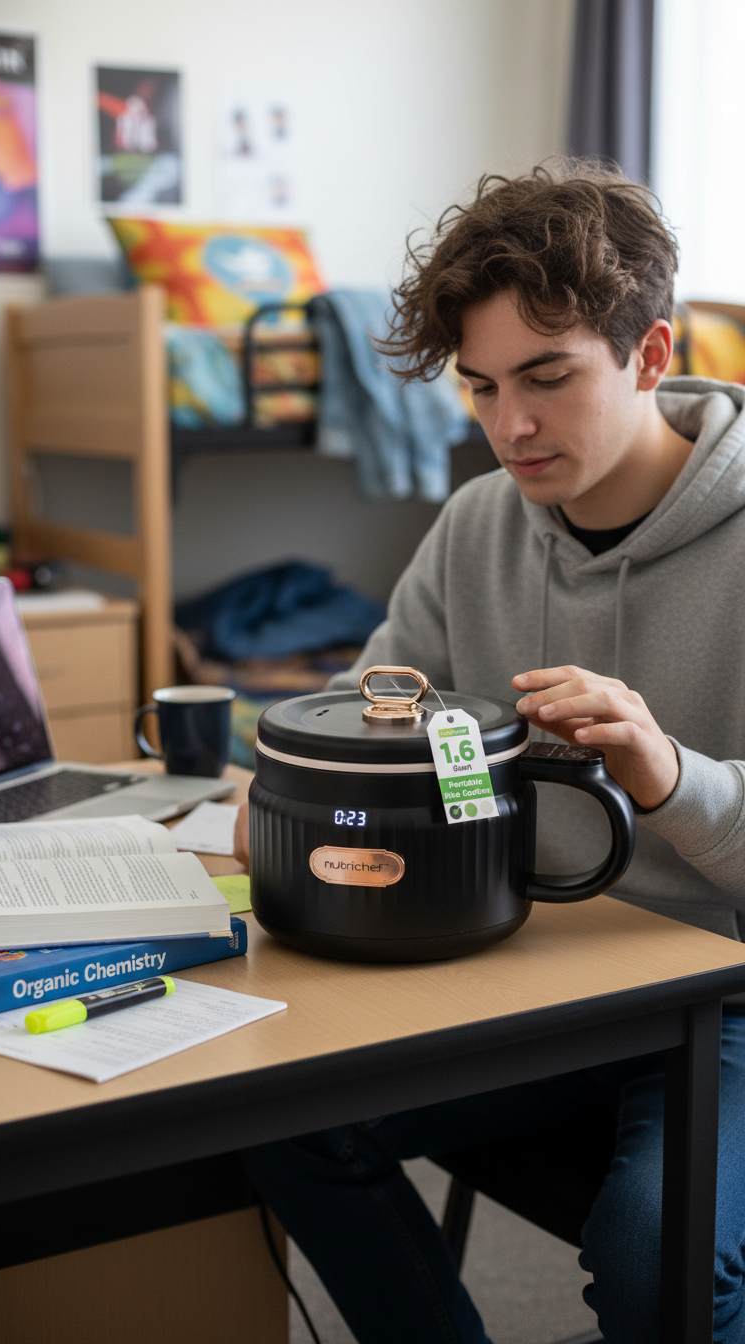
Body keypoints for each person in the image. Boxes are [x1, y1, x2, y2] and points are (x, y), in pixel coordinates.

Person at [236, 162, 745, 1343]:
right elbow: (365, 706)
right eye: (480, 388)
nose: (509, 426)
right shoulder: (477, 523)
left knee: (651, 1256)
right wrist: (282, 793)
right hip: (538, 969)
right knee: (276, 1111)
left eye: (549, 379)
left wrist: (671, 778)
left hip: (723, 995)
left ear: (652, 354)